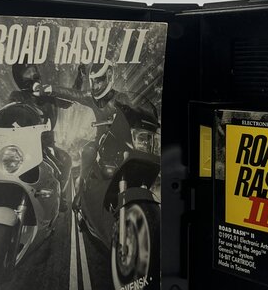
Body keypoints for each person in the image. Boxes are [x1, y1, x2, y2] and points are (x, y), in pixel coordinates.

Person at [39, 60, 157, 209]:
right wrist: (50, 89)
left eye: (99, 81)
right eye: (93, 81)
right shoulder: (91, 98)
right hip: (101, 141)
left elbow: (134, 113)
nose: (96, 86)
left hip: (121, 141)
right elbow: (73, 94)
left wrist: (146, 119)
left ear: (109, 76)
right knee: (87, 151)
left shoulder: (121, 98)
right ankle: (80, 193)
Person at [9, 63, 73, 211]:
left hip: (46, 146)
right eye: (28, 72)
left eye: (34, 70)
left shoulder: (49, 96)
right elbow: (10, 113)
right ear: (20, 78)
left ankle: (60, 197)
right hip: (24, 146)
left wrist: (80, 79)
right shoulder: (17, 96)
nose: (33, 74)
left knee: (65, 160)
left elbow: (68, 101)